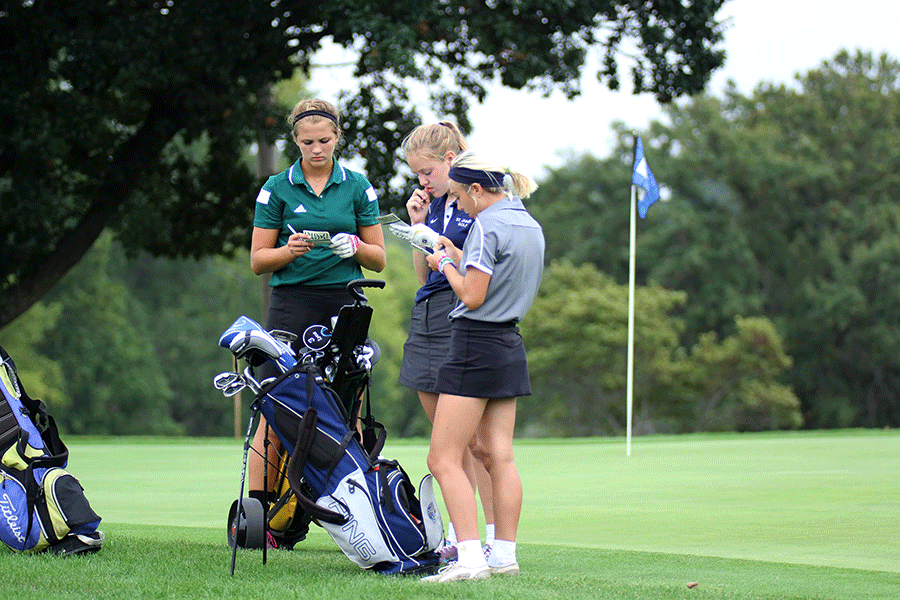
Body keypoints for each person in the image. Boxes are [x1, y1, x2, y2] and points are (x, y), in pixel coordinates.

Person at [248, 98, 386, 548]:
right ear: (295, 141)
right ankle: (262, 515)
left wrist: (354, 247)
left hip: (344, 301)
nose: (316, 149)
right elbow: (258, 260)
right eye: (307, 142)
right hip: (290, 304)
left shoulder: (359, 186)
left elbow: (379, 258)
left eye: (324, 141)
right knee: (276, 404)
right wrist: (290, 251)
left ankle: (366, 507)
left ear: (338, 138)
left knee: (349, 400)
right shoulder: (276, 188)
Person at [419, 150, 544, 582]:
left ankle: (470, 559)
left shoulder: (487, 225)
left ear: (475, 189)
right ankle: (503, 555)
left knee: (443, 458)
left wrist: (445, 263)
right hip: (509, 342)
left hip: (474, 342)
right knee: (499, 456)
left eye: (460, 194)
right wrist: (459, 251)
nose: (461, 205)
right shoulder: (528, 222)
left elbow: (471, 294)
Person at [390, 122, 496, 561]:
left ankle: (490, 540)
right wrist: (418, 226)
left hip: (463, 313)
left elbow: (479, 265)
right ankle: (458, 536)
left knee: (476, 442)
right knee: (444, 438)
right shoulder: (430, 207)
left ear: (449, 160)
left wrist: (447, 250)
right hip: (428, 313)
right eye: (416, 175)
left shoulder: (478, 197)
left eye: (426, 171)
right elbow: (422, 274)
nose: (422, 182)